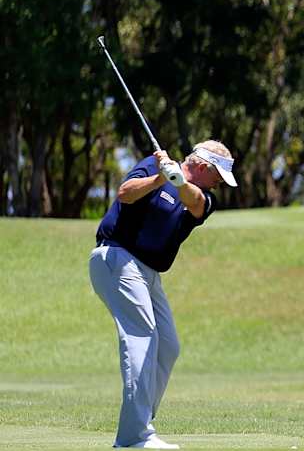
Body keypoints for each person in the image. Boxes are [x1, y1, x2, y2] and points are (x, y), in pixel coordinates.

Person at [88, 140, 237, 449]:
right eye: (218, 176)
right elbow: (125, 194)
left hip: (149, 274)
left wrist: (177, 181)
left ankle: (139, 421)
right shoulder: (153, 166)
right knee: (143, 336)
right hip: (117, 257)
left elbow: (195, 202)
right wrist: (159, 178)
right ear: (203, 166)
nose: (219, 184)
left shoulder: (204, 197)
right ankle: (135, 436)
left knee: (167, 346)